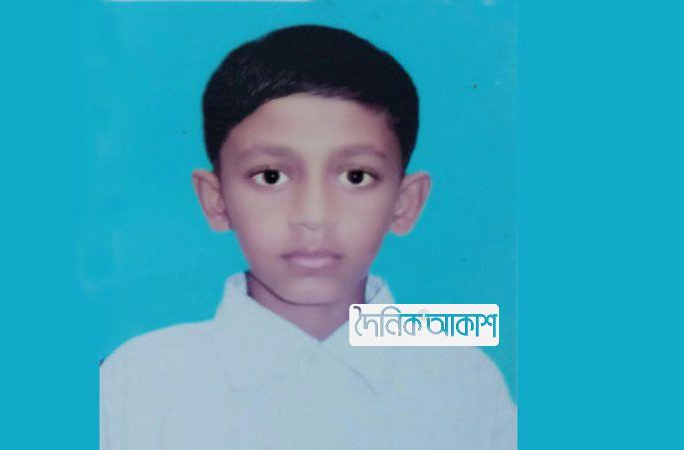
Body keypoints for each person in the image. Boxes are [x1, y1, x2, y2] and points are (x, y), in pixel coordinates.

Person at [100, 24, 516, 450]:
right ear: (216, 199)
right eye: (271, 176)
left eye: (356, 176)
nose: (313, 217)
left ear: (405, 202)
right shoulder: (136, 383)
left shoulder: (465, 383)